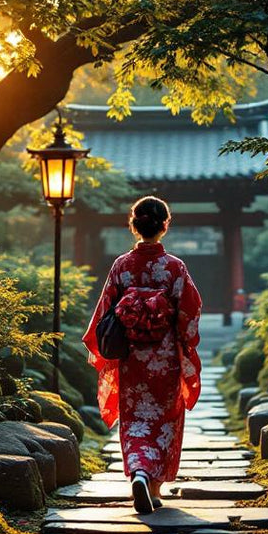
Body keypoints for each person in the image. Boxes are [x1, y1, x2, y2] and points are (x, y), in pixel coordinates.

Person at [83, 196, 202, 514]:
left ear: (133, 225)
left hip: (131, 358)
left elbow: (106, 311)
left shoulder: (121, 265)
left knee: (136, 418)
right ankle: (155, 488)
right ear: (165, 225)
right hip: (165, 357)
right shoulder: (174, 267)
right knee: (165, 419)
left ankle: (138, 472)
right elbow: (190, 310)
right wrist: (185, 340)